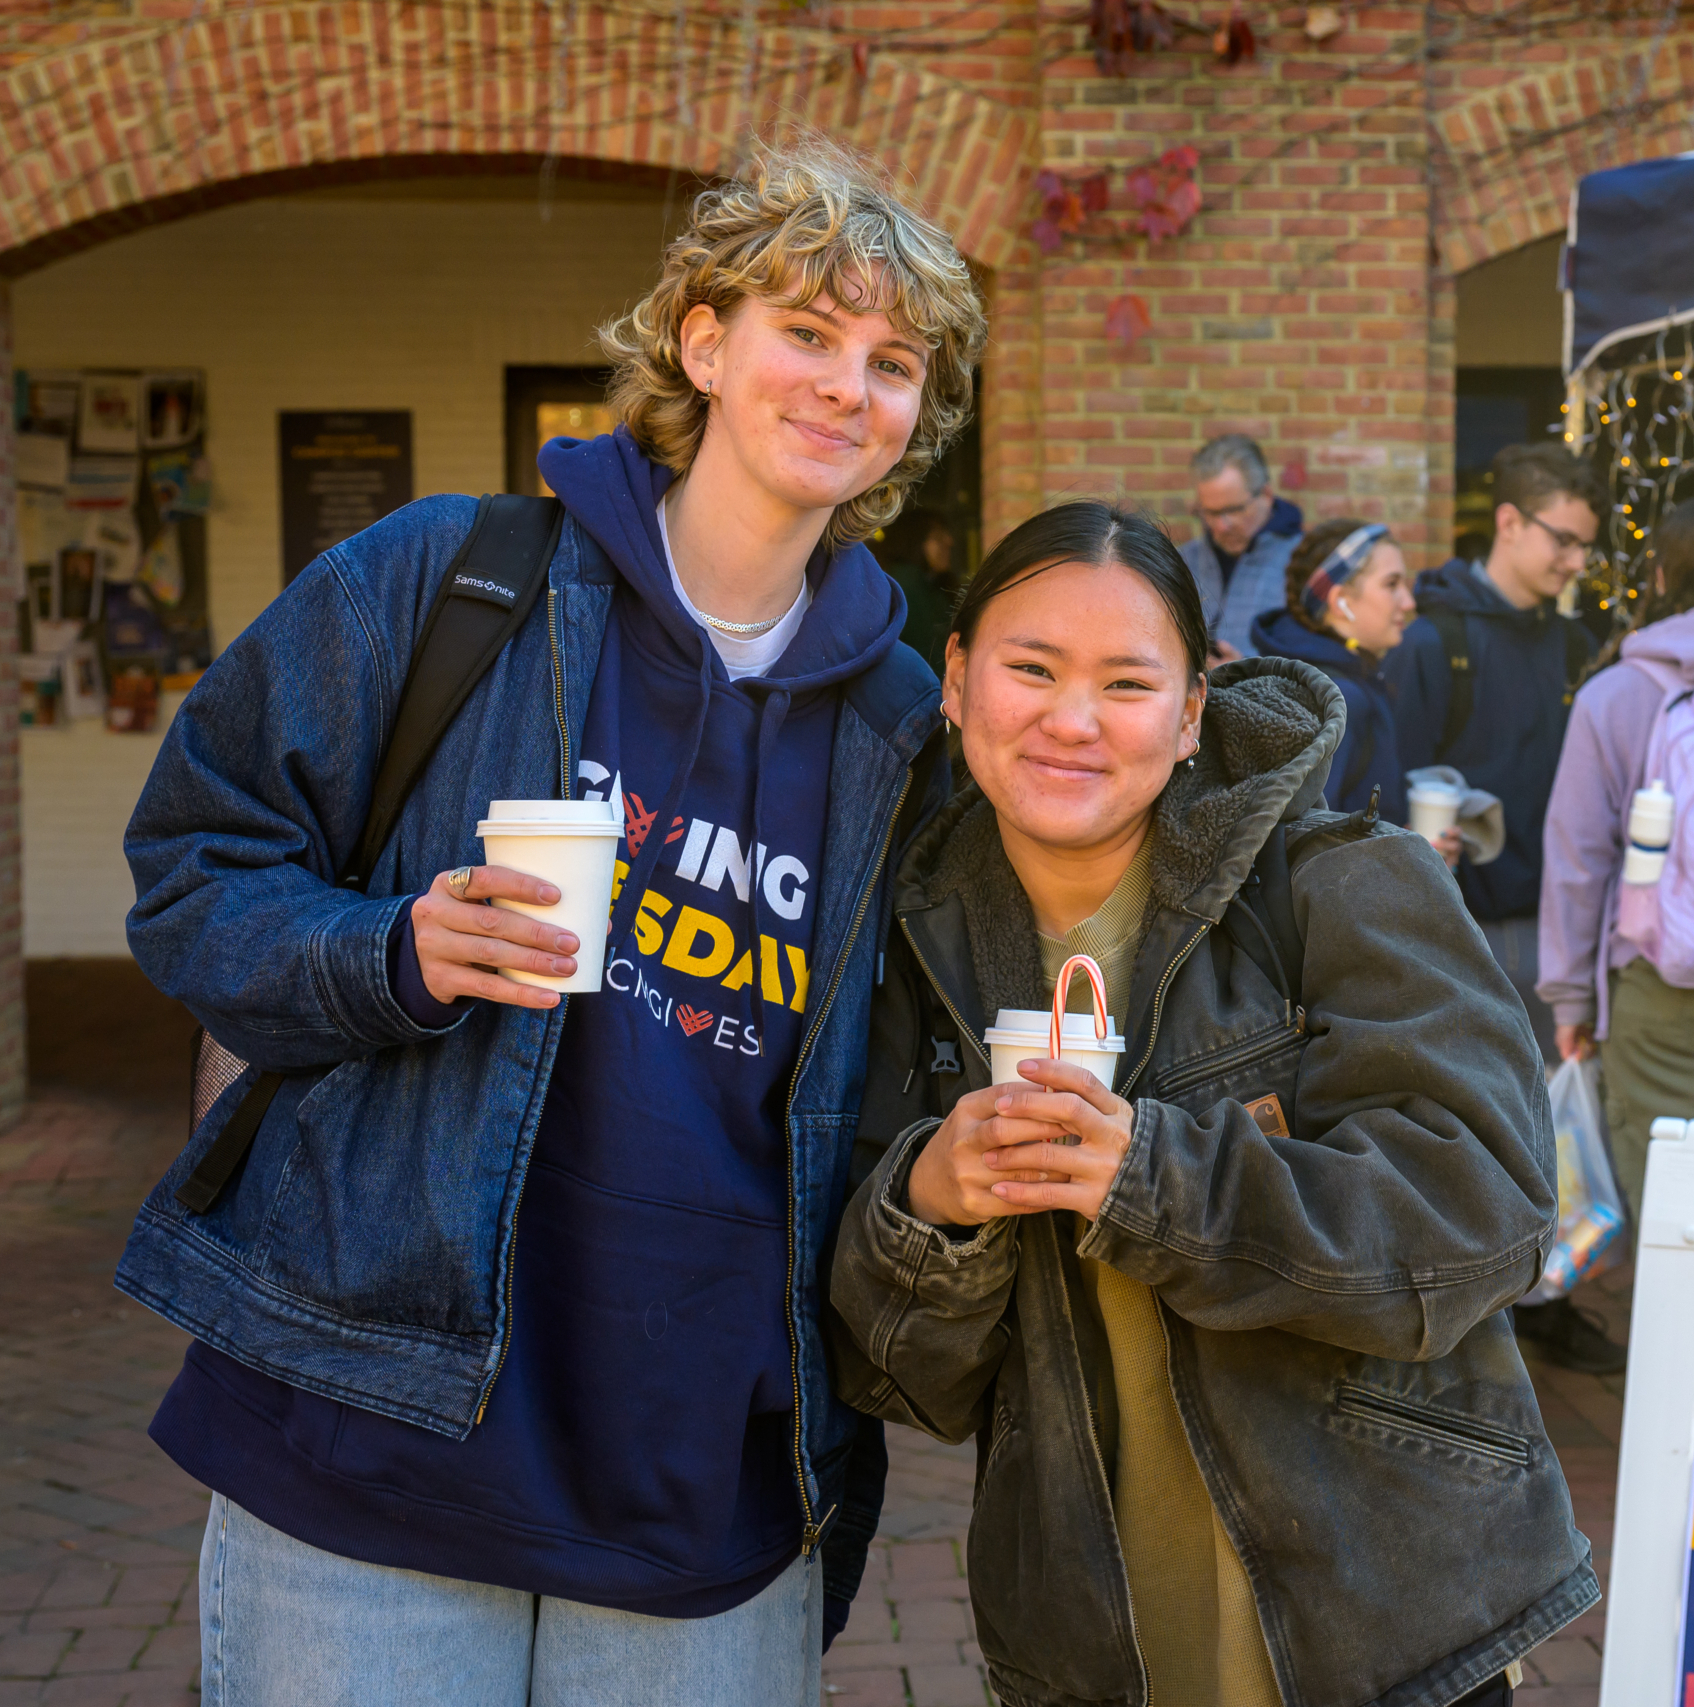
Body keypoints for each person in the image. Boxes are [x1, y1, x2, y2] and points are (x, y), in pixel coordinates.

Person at [115, 141, 985, 1707]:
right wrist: (391, 953)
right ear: (703, 343)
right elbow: (194, 867)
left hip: (695, 1475)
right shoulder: (444, 580)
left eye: (894, 361)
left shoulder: (904, 730)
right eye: (807, 330)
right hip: (372, 1424)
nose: (848, 384)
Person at [827, 500, 1595, 1707]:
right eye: (1028, 669)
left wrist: (1151, 1180)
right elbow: (899, 1378)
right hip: (1091, 1641)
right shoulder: (914, 953)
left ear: (1190, 714)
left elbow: (1480, 1222)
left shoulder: (1343, 883)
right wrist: (931, 1208)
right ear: (959, 682)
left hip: (1381, 1625)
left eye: (1126, 684)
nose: (1072, 720)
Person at [1540, 497, 1694, 1229]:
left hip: (1659, 992)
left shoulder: (1614, 696)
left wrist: (1573, 1001)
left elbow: (1578, 861)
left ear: (1660, 573)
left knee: (1672, 1220)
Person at [1250, 517, 1459, 850]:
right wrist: (1414, 862)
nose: (1408, 602)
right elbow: (1311, 846)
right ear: (1341, 601)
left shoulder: (1310, 678)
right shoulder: (1340, 700)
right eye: (1392, 585)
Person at [1178, 432, 1304, 661]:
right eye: (1209, 512)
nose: (1221, 526)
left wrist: (1245, 674)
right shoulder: (1182, 562)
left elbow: (1316, 668)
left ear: (1266, 494)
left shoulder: (1303, 563)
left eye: (1234, 510)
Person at [880, 507, 958, 669]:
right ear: (915, 542)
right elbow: (930, 653)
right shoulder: (906, 586)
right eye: (937, 537)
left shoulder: (933, 583)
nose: (949, 541)